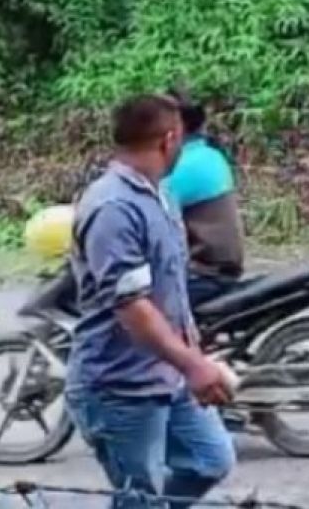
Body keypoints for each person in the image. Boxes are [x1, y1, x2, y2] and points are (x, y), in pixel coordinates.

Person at [65, 94, 236, 508]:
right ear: (169, 138)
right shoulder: (114, 207)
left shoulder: (158, 195)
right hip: (120, 386)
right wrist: (193, 365)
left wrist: (193, 354)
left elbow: (171, 288)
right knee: (139, 498)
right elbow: (132, 307)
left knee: (210, 460)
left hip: (167, 376)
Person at [163, 89, 246, 306]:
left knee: (130, 303)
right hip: (219, 267)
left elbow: (147, 210)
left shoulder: (186, 165)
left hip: (203, 271)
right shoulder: (208, 154)